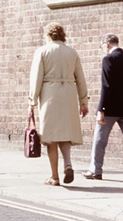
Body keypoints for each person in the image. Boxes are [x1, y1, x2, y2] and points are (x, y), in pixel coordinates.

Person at [29, 22, 89, 186]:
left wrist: (32, 101)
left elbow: (36, 78)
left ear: (48, 35)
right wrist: (83, 101)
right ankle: (68, 164)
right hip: (69, 94)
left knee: (51, 137)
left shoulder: (42, 51)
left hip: (50, 94)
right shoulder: (72, 52)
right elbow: (81, 79)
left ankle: (54, 177)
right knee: (65, 133)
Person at [84, 33, 123, 180]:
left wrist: (101, 109)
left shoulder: (108, 59)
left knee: (100, 140)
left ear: (107, 44)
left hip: (110, 108)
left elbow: (106, 85)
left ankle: (95, 170)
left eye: (102, 46)